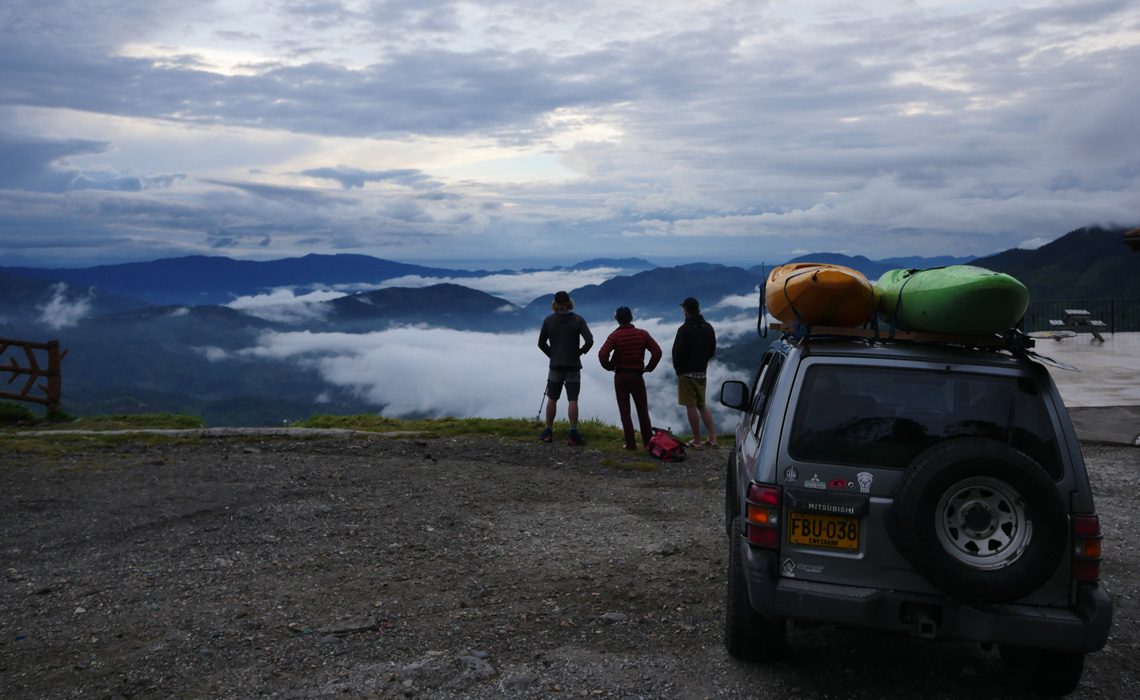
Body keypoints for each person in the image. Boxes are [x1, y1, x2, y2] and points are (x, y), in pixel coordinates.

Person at [598, 306, 662, 450]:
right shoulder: (642, 334)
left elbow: (602, 354)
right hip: (637, 376)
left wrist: (609, 367)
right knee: (642, 410)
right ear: (631, 317)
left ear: (617, 320)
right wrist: (649, 367)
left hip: (620, 377)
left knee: (624, 411)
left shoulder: (614, 336)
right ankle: (647, 443)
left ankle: (631, 444)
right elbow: (657, 351)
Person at [538, 290, 593, 445]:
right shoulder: (578, 320)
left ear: (555, 305)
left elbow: (541, 344)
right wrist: (581, 352)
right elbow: (589, 340)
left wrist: (553, 355)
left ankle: (548, 431)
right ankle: (573, 433)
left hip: (555, 365)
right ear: (569, 303)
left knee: (552, 399)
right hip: (573, 365)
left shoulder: (549, 321)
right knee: (573, 399)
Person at [672, 296, 718, 448]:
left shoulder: (684, 330)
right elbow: (712, 350)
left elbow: (677, 353)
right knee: (702, 404)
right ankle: (713, 439)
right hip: (701, 371)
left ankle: (697, 440)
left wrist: (679, 368)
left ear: (686, 310)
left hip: (686, 373)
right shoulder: (708, 327)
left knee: (690, 405)